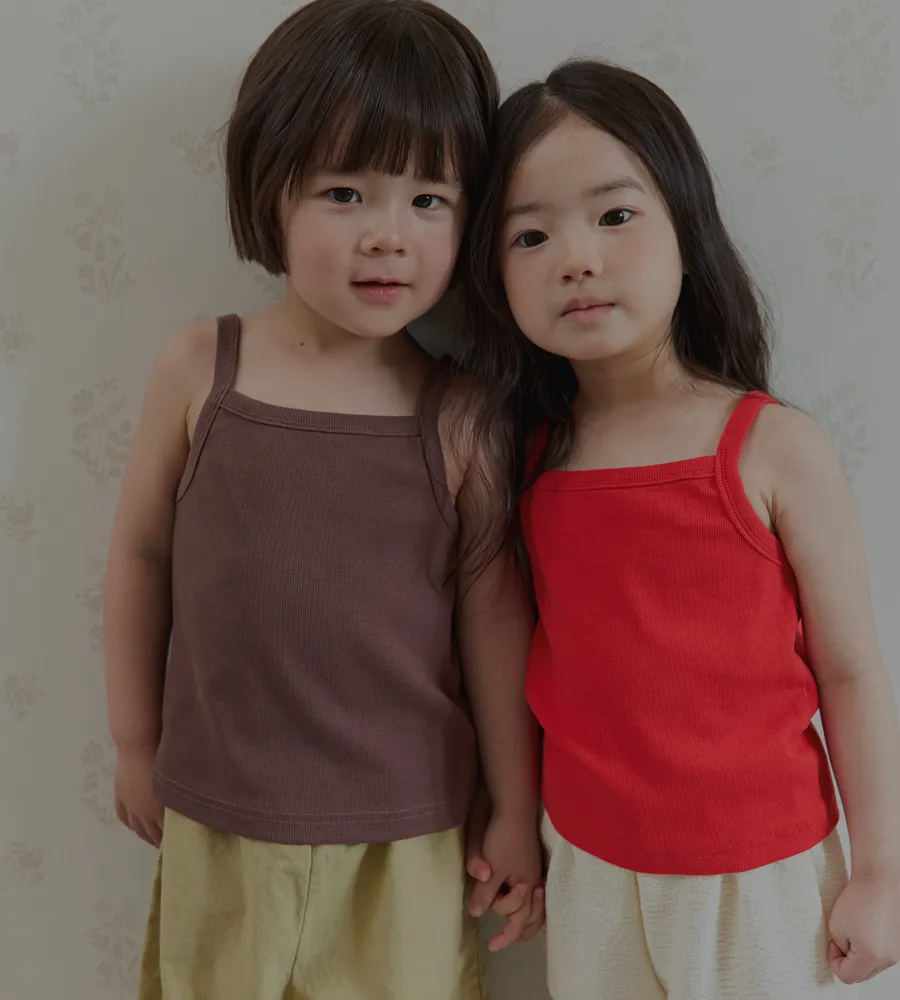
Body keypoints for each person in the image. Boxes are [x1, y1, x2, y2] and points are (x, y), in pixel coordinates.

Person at [103, 4, 542, 998]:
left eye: (429, 199)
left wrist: (515, 805)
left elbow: (493, 618)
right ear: (273, 192)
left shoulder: (461, 413)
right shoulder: (198, 370)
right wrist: (133, 738)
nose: (389, 236)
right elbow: (141, 556)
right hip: (220, 814)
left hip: (410, 833)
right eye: (346, 193)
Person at [461, 59, 900, 1000]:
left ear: (688, 235)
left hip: (759, 878)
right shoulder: (522, 461)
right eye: (531, 235)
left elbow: (852, 672)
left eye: (615, 215)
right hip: (592, 869)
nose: (576, 258)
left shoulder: (772, 446)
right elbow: (506, 650)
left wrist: (882, 874)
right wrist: (514, 817)